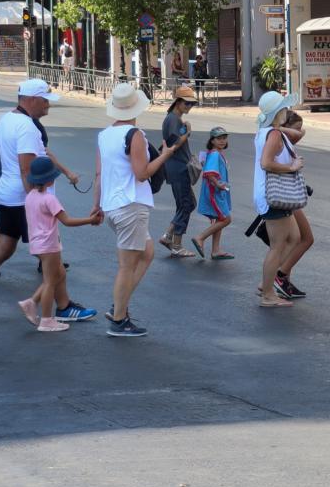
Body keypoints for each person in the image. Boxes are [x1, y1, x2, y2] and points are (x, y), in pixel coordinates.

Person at [0, 79, 88, 326]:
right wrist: (38, 201)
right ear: (32, 99)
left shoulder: (7, 119)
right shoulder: (26, 127)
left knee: (3, 248)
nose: (48, 106)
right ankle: (64, 307)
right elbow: (27, 168)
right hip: (24, 199)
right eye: (45, 100)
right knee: (52, 254)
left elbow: (32, 158)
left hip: (8, 195)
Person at [94, 83, 183, 337]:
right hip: (130, 204)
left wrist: (96, 205)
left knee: (146, 252)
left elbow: (100, 173)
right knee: (127, 264)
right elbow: (142, 174)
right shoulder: (134, 135)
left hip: (113, 205)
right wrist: (165, 155)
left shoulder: (104, 135)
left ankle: (118, 307)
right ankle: (119, 318)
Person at [17, 157, 102, 332]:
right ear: (50, 179)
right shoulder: (49, 199)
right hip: (49, 245)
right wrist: (91, 220)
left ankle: (32, 302)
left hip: (37, 244)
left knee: (59, 274)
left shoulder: (30, 196)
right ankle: (46, 320)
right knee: (50, 282)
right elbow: (67, 221)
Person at [254, 92, 304, 307]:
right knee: (278, 245)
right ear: (278, 112)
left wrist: (278, 126)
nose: (286, 111)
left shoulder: (267, 131)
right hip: (274, 194)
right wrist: (291, 167)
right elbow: (266, 163)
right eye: (283, 108)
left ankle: (268, 284)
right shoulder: (273, 135)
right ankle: (267, 294)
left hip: (270, 194)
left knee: (293, 238)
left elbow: (297, 132)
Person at [270, 111, 315, 298]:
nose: (299, 133)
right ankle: (278, 277)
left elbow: (301, 133)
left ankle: (281, 280)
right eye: (295, 129)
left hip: (289, 196)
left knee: (292, 241)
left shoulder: (284, 142)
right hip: (285, 197)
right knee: (304, 239)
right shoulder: (277, 141)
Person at [159, 85, 199, 257]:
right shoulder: (173, 119)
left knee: (187, 203)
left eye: (192, 104)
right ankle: (175, 242)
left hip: (177, 166)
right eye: (187, 103)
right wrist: (187, 132)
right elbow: (174, 146)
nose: (189, 107)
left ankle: (170, 237)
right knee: (186, 204)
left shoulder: (174, 118)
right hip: (178, 167)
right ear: (178, 102)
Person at [191, 126, 233, 260]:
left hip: (218, 191)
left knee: (219, 219)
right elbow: (209, 173)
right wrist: (217, 184)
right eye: (218, 138)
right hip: (215, 192)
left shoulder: (215, 153)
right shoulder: (215, 154)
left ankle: (216, 250)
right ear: (212, 140)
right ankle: (200, 238)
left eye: (224, 138)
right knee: (226, 219)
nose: (222, 141)